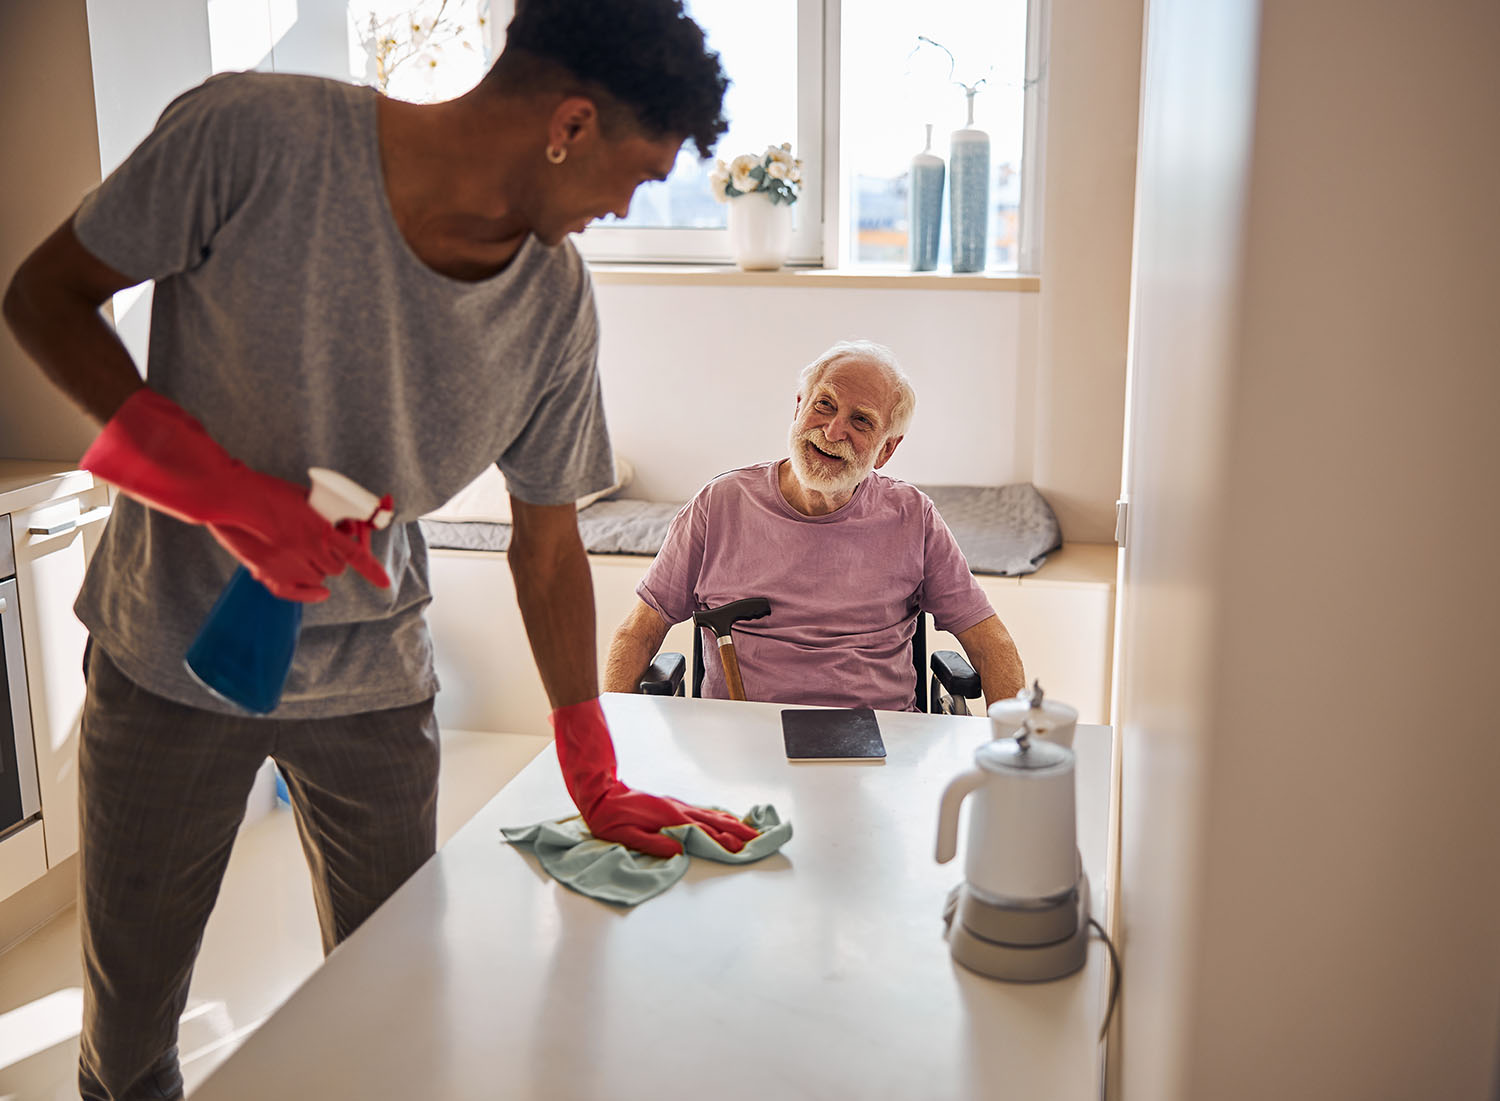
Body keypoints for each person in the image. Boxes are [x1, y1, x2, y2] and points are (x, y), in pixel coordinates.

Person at [2, 2, 758, 1097]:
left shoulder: (551, 304)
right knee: (127, 1045)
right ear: (573, 124)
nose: (620, 209)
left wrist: (591, 768)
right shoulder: (254, 135)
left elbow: (546, 543)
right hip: (169, 663)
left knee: (398, 1017)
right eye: (637, 177)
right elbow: (43, 297)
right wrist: (222, 496)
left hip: (376, 690)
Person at [604, 340, 1027, 711]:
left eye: (861, 421)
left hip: (880, 743)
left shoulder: (913, 518)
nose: (833, 430)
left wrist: (1009, 759)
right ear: (799, 407)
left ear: (886, 449)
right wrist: (607, 744)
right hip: (741, 742)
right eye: (823, 404)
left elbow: (992, 645)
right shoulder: (720, 505)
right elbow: (639, 632)